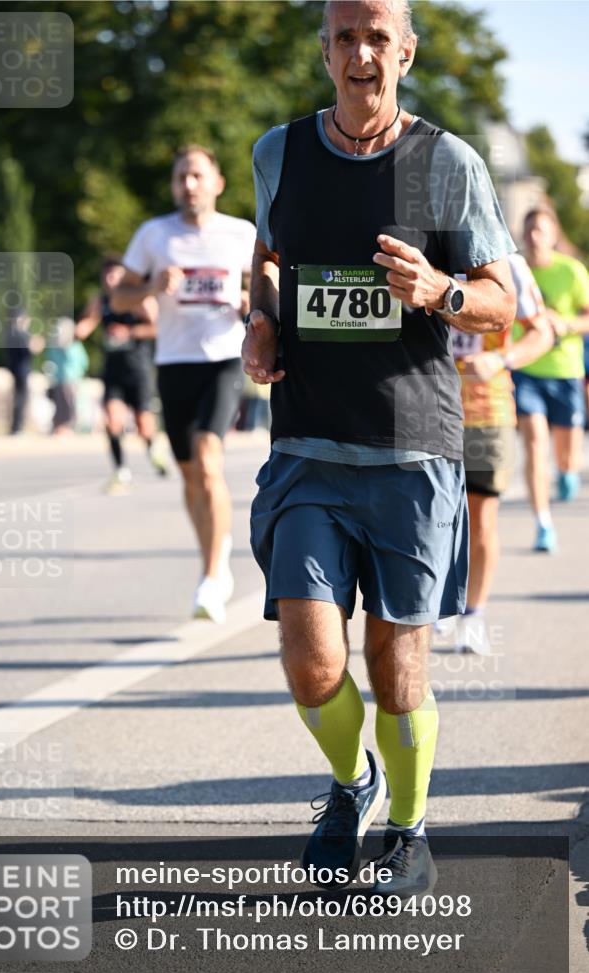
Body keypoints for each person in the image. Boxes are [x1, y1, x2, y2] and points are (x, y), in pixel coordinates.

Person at [243, 0, 516, 896]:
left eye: (376, 39)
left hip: (410, 450)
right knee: (311, 657)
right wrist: (261, 321)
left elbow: (500, 303)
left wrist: (439, 289)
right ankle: (347, 785)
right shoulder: (278, 151)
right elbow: (272, 256)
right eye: (343, 38)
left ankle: (405, 825)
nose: (360, 55)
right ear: (323, 52)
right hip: (309, 447)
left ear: (404, 52)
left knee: (398, 675)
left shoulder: (445, 162)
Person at [112, 146, 256, 624]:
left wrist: (247, 301)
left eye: (196, 175)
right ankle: (213, 552)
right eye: (180, 178)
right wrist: (152, 288)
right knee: (190, 473)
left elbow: (267, 290)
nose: (188, 185)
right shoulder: (154, 235)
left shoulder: (241, 234)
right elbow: (120, 293)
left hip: (223, 358)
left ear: (217, 182)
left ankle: (214, 576)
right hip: (174, 362)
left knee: (208, 458)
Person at [451, 254, 554, 655]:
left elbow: (541, 332)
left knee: (481, 516)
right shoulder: (421, 250)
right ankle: (437, 604)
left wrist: (501, 358)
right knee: (426, 517)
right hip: (421, 407)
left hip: (484, 411)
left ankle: (472, 613)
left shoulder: (508, 263)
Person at [514, 207, 589, 551]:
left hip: (565, 371)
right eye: (529, 231)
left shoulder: (571, 271)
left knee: (566, 451)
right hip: (527, 369)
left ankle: (567, 471)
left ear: (553, 235)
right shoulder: (516, 271)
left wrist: (566, 324)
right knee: (534, 444)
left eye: (540, 231)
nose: (534, 237)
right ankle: (543, 523)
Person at [75, 257, 167, 493]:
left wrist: (130, 331)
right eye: (106, 276)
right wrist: (76, 332)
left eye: (115, 275)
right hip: (112, 369)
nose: (110, 280)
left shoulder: (139, 301)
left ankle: (153, 447)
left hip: (139, 369)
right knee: (112, 420)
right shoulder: (102, 300)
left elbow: (159, 328)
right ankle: (121, 470)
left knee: (143, 424)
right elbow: (88, 322)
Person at [43, 317, 89, 435]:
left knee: (68, 405)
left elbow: (82, 363)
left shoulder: (73, 346)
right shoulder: (56, 346)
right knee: (62, 405)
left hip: (69, 380)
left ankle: (66, 427)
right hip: (61, 380)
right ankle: (61, 426)